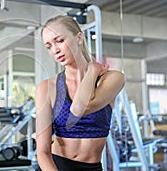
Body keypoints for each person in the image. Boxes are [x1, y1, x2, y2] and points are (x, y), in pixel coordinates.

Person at [35, 15, 125, 171]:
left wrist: (92, 71)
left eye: (60, 41)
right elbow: (42, 151)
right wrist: (93, 69)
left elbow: (79, 109)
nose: (55, 50)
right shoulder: (46, 88)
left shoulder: (112, 78)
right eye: (48, 46)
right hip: (56, 166)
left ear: (79, 38)